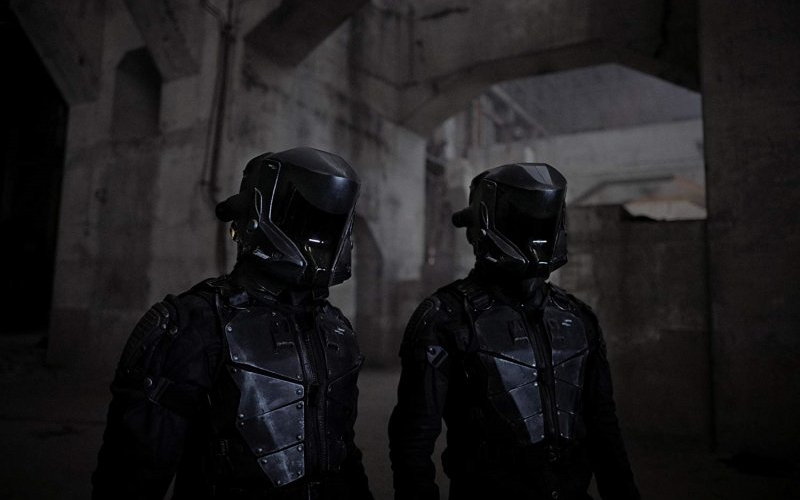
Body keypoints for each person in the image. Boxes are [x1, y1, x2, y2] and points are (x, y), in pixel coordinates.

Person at [92, 147, 374, 500]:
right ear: (258, 216)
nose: (321, 237)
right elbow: (133, 476)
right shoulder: (195, 323)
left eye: (330, 224)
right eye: (309, 220)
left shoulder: (335, 327)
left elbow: (341, 451)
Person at [388, 163, 640, 500]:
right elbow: (412, 443)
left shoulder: (578, 317)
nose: (535, 233)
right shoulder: (445, 317)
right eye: (524, 220)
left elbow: (603, 428)